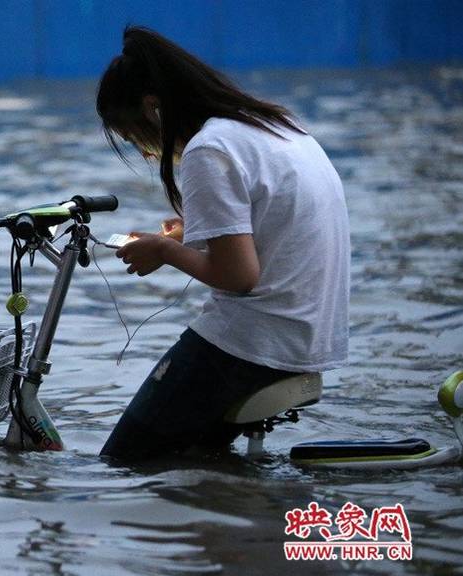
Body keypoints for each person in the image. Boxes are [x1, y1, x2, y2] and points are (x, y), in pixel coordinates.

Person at [96, 26, 350, 461]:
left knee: (125, 462)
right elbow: (271, 224)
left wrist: (165, 251)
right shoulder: (273, 124)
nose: (143, 152)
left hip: (255, 342)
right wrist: (189, 232)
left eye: (133, 136)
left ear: (153, 108)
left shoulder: (208, 151)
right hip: (308, 333)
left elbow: (238, 277)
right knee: (193, 459)